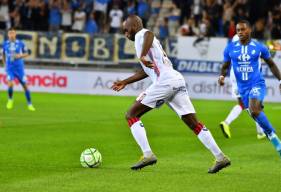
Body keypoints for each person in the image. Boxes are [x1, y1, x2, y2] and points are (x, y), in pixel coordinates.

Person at [111, 15, 230, 173]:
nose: (126, 34)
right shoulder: (144, 43)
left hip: (165, 82)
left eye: (126, 30)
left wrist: (142, 55)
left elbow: (149, 34)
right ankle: (220, 157)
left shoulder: (142, 34)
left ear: (134, 25)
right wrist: (126, 81)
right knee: (193, 123)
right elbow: (147, 71)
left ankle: (147, 154)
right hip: (176, 79)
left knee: (131, 114)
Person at [219, 20, 281, 158]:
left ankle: (277, 142)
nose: (240, 32)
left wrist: (280, 79)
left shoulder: (259, 47)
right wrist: (222, 76)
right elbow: (225, 65)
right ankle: (271, 135)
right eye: (238, 30)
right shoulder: (230, 48)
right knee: (255, 114)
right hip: (243, 89)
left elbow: (271, 64)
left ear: (249, 30)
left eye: (243, 29)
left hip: (257, 84)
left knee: (254, 109)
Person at [220, 34, 266, 140]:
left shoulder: (234, 42)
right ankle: (260, 132)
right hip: (245, 74)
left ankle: (226, 122)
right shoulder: (247, 42)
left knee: (242, 104)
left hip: (234, 74)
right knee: (256, 104)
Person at [2, 28, 35, 111]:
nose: (11, 34)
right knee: (10, 84)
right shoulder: (5, 44)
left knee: (25, 86)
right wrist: (5, 65)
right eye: (10, 33)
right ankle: (10, 100)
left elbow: (28, 53)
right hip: (10, 68)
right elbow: (3, 55)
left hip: (19, 68)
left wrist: (20, 56)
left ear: (15, 34)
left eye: (13, 33)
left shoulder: (21, 43)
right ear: (8, 34)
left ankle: (29, 104)